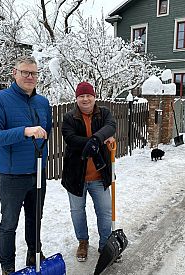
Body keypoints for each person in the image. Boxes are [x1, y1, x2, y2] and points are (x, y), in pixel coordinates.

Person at [0, 56, 52, 275]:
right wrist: (24, 131)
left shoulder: (43, 102)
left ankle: (34, 254)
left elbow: (46, 133)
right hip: (13, 176)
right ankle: (7, 266)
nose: (30, 77)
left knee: (35, 218)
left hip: (38, 172)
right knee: (9, 223)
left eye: (34, 73)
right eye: (25, 72)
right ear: (15, 73)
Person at [61, 82, 116, 262]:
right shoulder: (69, 117)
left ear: (94, 97)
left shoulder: (104, 113)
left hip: (100, 176)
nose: (85, 99)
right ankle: (83, 242)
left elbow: (110, 126)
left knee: (105, 212)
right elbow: (71, 139)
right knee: (77, 211)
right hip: (76, 177)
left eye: (88, 95)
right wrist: (97, 141)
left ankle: (105, 245)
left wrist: (96, 139)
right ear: (76, 99)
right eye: (81, 96)